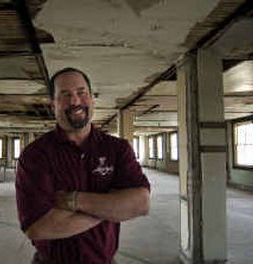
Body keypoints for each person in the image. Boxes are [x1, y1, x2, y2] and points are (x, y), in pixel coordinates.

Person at [15, 67, 151, 264]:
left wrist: (74, 201)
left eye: (81, 92)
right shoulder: (36, 155)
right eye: (65, 94)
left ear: (92, 98)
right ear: (53, 104)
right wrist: (111, 206)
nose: (75, 101)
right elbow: (38, 227)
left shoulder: (117, 149)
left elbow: (141, 203)